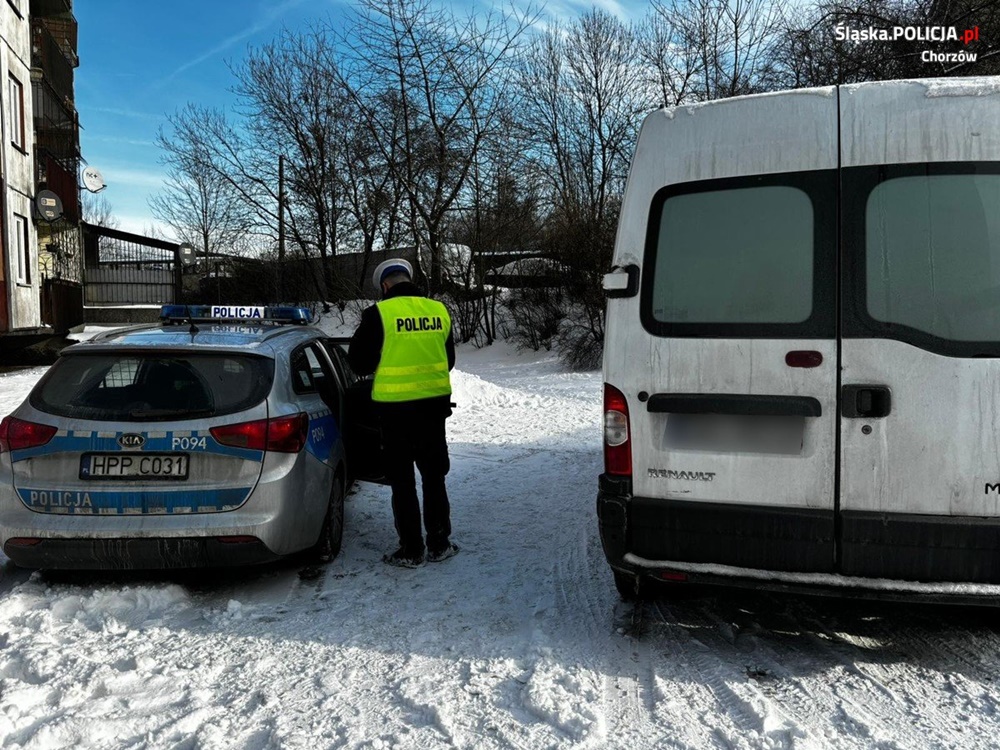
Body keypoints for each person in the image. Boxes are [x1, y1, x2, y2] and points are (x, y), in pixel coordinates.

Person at [348, 258, 458, 568]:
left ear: (384, 285)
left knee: (403, 482)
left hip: (394, 416)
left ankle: (412, 550)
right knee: (434, 478)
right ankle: (439, 544)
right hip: (433, 412)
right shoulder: (439, 311)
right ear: (408, 279)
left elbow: (358, 364)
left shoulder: (379, 314)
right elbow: (448, 360)